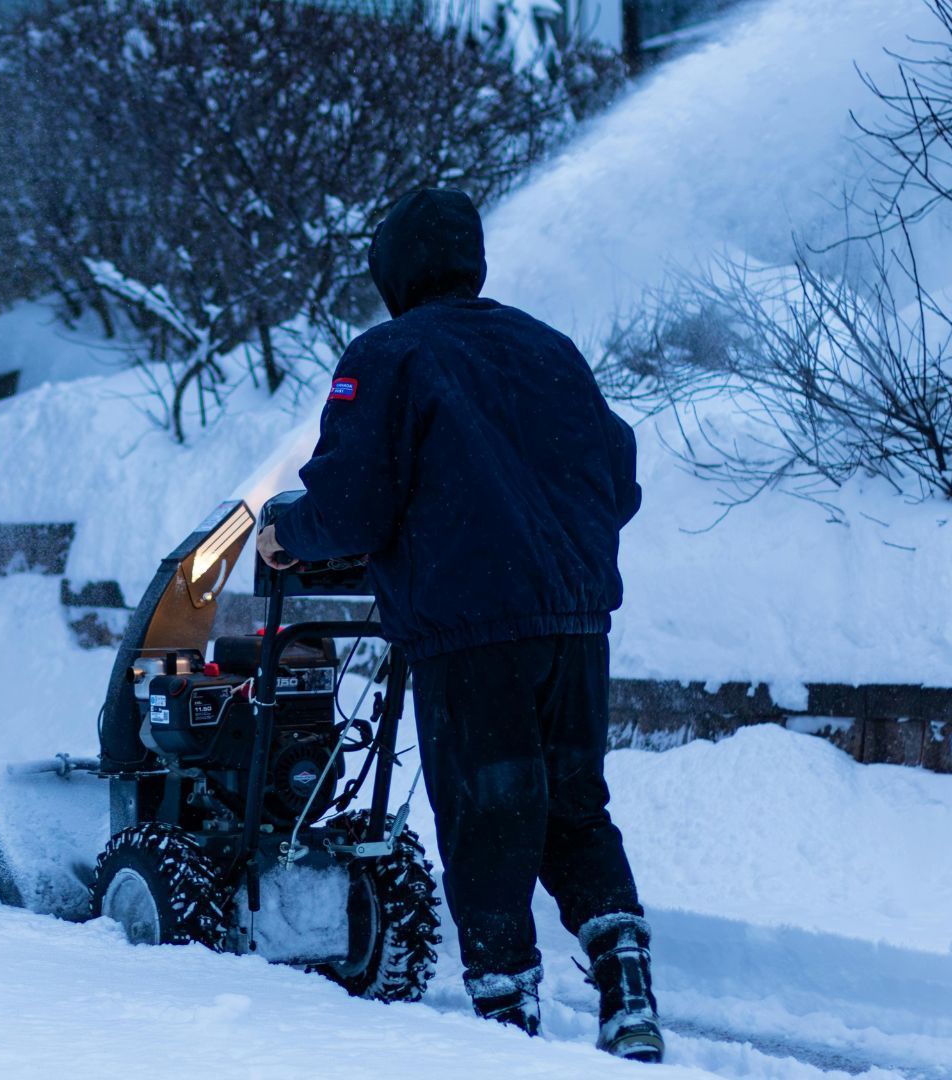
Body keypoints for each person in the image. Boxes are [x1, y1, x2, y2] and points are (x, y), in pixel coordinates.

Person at [256, 188, 662, 1062]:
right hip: (576, 626)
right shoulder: (550, 350)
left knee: (488, 820)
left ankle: (507, 1029)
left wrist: (288, 531)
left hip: (474, 633)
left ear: (394, 271)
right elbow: (619, 482)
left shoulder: (390, 355)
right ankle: (626, 987)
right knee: (575, 809)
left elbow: (356, 503)